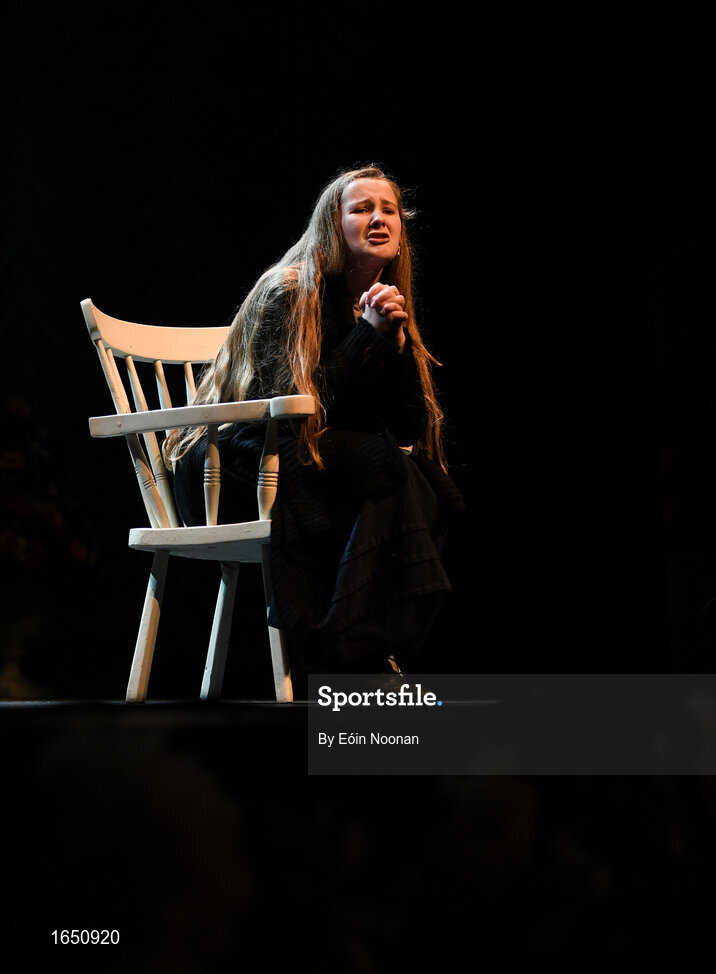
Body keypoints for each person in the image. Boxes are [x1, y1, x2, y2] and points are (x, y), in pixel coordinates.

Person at [163, 165, 465, 685]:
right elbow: (292, 409)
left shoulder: (383, 301)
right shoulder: (287, 291)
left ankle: (355, 646)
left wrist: (393, 349)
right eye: (362, 209)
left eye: (389, 210)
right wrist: (367, 339)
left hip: (312, 461)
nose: (378, 219)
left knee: (428, 480)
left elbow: (408, 428)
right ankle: (355, 651)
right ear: (332, 224)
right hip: (234, 466)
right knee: (383, 465)